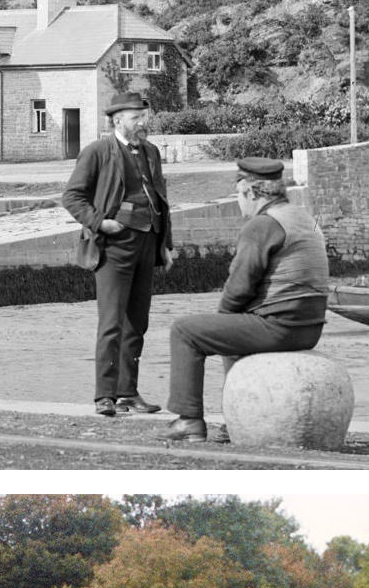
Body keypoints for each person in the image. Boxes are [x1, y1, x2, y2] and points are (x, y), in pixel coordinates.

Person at [164, 158, 330, 442]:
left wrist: (221, 318)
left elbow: (240, 285)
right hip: (309, 327)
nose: (239, 204)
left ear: (251, 193)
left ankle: (188, 419)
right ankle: (235, 420)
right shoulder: (300, 217)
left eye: (238, 196)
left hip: (281, 326)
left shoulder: (262, 225)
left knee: (185, 331)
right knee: (232, 330)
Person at [61, 84, 174, 416]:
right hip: (113, 246)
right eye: (137, 117)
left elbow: (161, 199)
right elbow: (72, 197)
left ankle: (128, 392)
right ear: (118, 121)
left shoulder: (150, 151)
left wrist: (165, 245)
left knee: (137, 323)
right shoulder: (97, 152)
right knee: (111, 322)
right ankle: (104, 396)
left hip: (147, 244)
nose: (142, 122)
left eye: (143, 116)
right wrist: (100, 223)